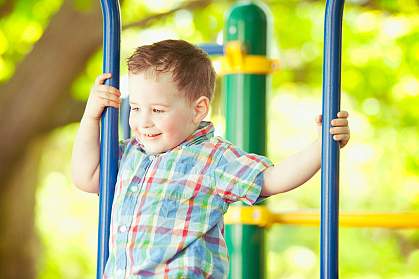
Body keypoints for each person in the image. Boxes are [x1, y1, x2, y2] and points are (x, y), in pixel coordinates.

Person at [71, 39, 350, 278]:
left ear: (198, 109)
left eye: (157, 110)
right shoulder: (130, 152)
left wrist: (322, 147)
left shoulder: (211, 158)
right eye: (135, 108)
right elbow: (87, 177)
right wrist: (91, 116)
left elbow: (272, 179)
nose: (143, 121)